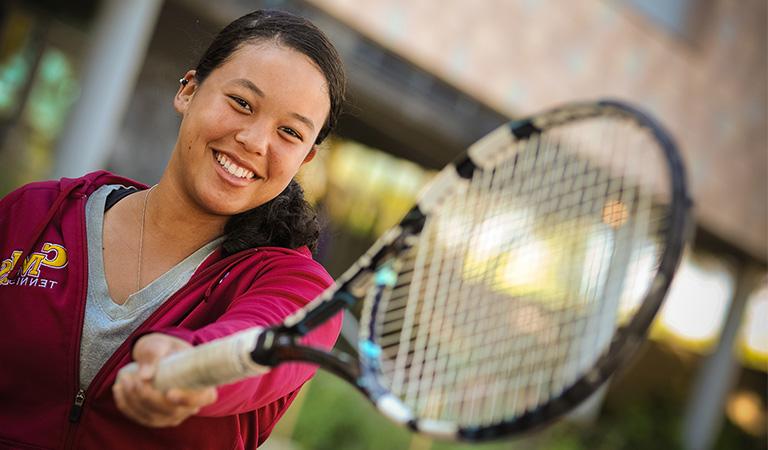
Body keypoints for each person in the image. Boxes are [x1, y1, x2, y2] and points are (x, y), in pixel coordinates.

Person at [0, 9, 345, 449]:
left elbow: (262, 346)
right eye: (241, 103)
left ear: (306, 159)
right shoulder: (36, 212)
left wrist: (191, 367)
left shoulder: (302, 291)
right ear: (189, 90)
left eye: (289, 132)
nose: (256, 142)